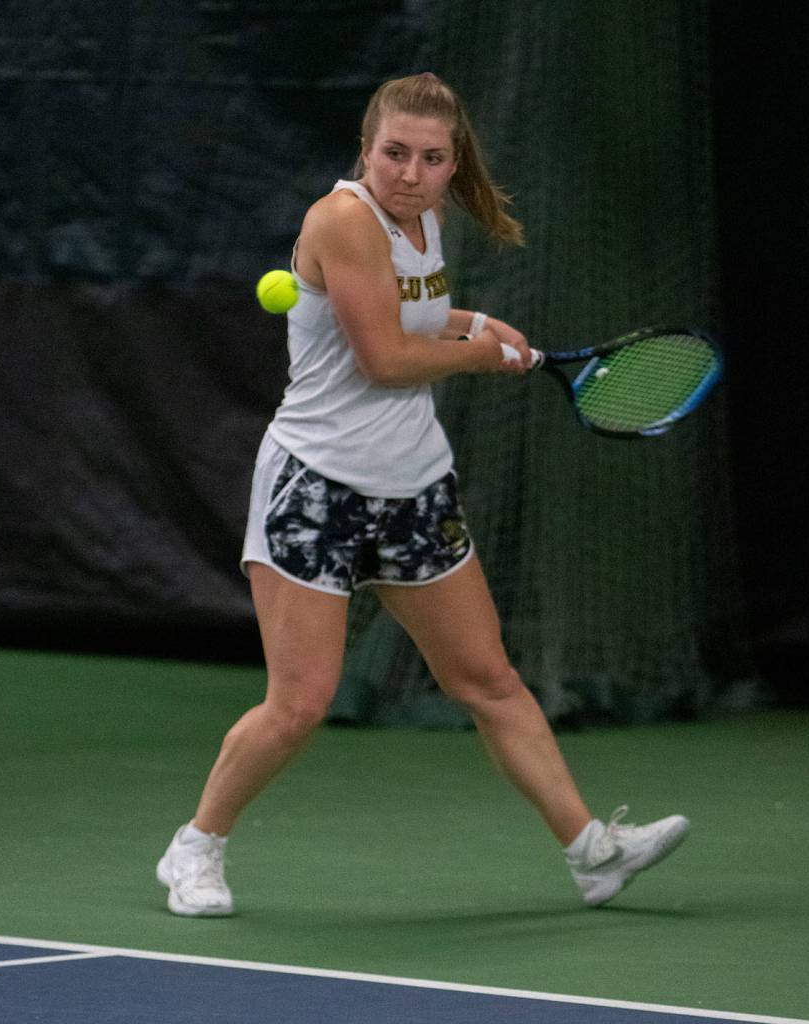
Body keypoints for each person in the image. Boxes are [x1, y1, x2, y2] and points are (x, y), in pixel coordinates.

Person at [156, 73, 689, 917]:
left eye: (431, 158)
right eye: (395, 153)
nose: (410, 172)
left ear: (452, 164)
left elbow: (412, 317)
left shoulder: (425, 221)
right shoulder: (341, 219)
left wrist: (473, 324)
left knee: (488, 679)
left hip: (412, 490)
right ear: (365, 150)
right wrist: (477, 357)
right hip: (315, 489)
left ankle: (592, 852)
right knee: (298, 704)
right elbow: (382, 360)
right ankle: (197, 846)